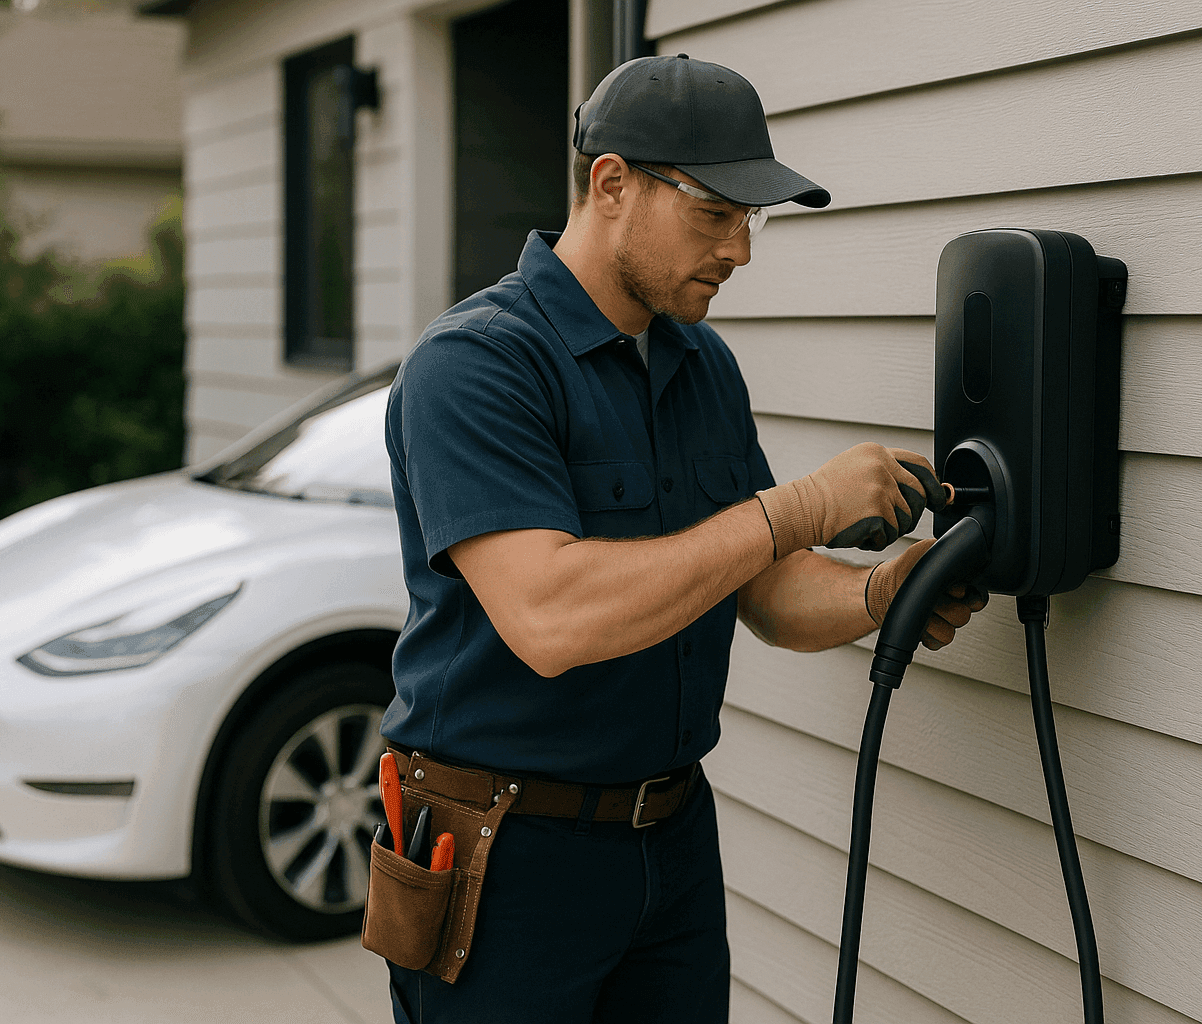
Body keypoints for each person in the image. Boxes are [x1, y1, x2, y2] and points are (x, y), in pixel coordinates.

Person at [378, 53, 986, 1023]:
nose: (740, 250)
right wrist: (794, 507)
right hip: (505, 851)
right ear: (611, 183)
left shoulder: (702, 366)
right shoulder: (476, 367)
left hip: (670, 837)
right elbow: (550, 614)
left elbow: (765, 588)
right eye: (716, 214)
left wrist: (883, 593)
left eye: (752, 219)